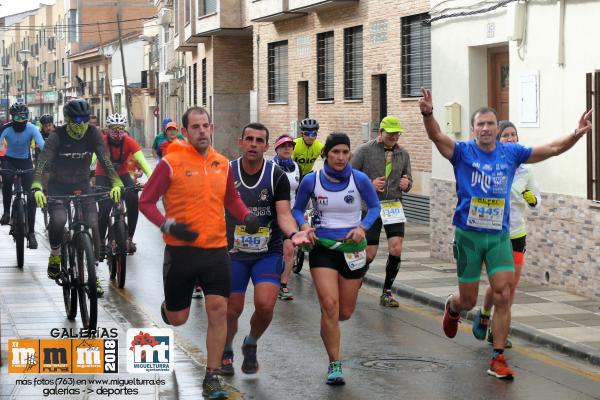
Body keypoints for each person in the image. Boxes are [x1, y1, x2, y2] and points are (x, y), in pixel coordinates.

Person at [418, 88, 592, 380]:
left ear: (497, 129)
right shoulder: (462, 152)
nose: (486, 128)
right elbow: (436, 136)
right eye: (481, 124)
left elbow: (549, 150)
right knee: (470, 300)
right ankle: (453, 306)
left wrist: (576, 133)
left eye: (490, 124)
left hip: (499, 236)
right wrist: (427, 113)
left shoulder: (511, 153)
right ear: (474, 129)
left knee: (504, 294)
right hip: (469, 237)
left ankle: (498, 357)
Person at [139, 107, 261, 399]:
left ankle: (212, 376)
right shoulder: (170, 163)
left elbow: (231, 199)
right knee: (179, 318)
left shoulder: (222, 163)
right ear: (185, 131)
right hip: (182, 252)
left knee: (219, 311)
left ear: (212, 127)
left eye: (206, 125)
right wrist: (167, 224)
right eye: (195, 127)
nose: (202, 131)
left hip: (217, 250)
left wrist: (246, 216)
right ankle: (169, 308)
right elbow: (146, 202)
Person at [220, 122, 314, 377]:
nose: (253, 144)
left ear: (265, 146)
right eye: (248, 139)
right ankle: (226, 348)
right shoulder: (226, 172)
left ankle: (250, 342)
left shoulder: (276, 177)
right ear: (241, 142)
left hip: (267, 251)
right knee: (233, 308)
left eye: (258, 140)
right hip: (233, 252)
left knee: (265, 306)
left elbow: (283, 214)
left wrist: (294, 234)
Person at [292, 132, 381, 385]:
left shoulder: (359, 179)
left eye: (345, 152)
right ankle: (334, 363)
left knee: (344, 312)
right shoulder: (312, 180)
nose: (341, 157)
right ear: (326, 154)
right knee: (330, 306)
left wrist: (362, 227)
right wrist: (303, 226)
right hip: (323, 247)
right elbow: (298, 208)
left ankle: (329, 318)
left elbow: (375, 207)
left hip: (352, 249)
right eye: (335, 152)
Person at [31, 99, 123, 297]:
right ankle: (55, 254)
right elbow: (42, 161)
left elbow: (104, 159)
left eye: (85, 118)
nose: (81, 123)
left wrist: (116, 182)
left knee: (93, 221)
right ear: (67, 119)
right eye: (76, 119)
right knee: (59, 220)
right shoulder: (57, 136)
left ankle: (95, 274)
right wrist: (37, 185)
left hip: (82, 183)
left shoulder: (93, 133)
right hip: (58, 185)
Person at [471, 121, 541, 348]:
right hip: (494, 232)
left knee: (511, 286)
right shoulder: (490, 166)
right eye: (506, 136)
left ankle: (497, 330)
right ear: (498, 140)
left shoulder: (526, 169)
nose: (511, 139)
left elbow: (536, 202)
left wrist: (533, 200)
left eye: (514, 135)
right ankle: (484, 313)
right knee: (500, 284)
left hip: (517, 233)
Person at [351, 115, 413, 307]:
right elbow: (349, 177)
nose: (395, 137)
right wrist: (368, 184)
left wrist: (407, 183)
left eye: (397, 134)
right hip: (370, 207)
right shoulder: (364, 151)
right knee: (369, 253)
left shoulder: (403, 154)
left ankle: (387, 292)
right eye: (391, 133)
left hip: (393, 206)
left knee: (396, 248)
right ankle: (355, 281)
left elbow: (408, 177)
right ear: (381, 132)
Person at [96, 113, 153, 258]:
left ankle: (129, 238)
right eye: (113, 129)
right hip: (103, 175)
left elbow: (143, 163)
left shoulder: (129, 142)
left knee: (133, 198)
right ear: (107, 129)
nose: (117, 132)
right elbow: (91, 161)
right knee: (105, 207)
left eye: (120, 129)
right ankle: (101, 241)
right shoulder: (101, 142)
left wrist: (153, 179)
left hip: (122, 174)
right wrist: (86, 176)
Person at [0, 102, 45, 249]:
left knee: (32, 195)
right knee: (6, 179)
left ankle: (31, 233)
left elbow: (42, 145)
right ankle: (6, 212)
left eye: (24, 116)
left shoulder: (32, 128)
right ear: (12, 117)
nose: (20, 119)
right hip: (9, 161)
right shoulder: (5, 128)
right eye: (17, 117)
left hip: (26, 162)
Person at [272, 134, 301, 300]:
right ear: (276, 148)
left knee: (290, 249)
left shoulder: (296, 167)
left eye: (290, 146)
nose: (287, 148)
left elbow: (299, 190)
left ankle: (283, 285)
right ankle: (269, 280)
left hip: (289, 215)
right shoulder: (270, 166)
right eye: (283, 146)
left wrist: (302, 209)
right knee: (274, 251)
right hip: (273, 214)